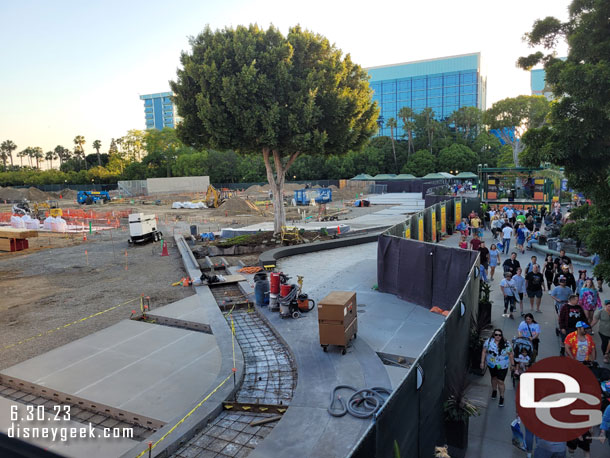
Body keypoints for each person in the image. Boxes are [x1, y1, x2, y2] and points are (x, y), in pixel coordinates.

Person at [480, 328, 514, 407]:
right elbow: (484, 351)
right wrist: (482, 362)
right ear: (493, 335)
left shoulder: (506, 344)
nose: (498, 336)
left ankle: (502, 396)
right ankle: (494, 390)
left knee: (501, 381)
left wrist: (512, 365)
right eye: (496, 335)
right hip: (492, 365)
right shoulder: (488, 342)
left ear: (502, 336)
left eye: (500, 335)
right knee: (493, 378)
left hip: (502, 366)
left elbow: (511, 354)